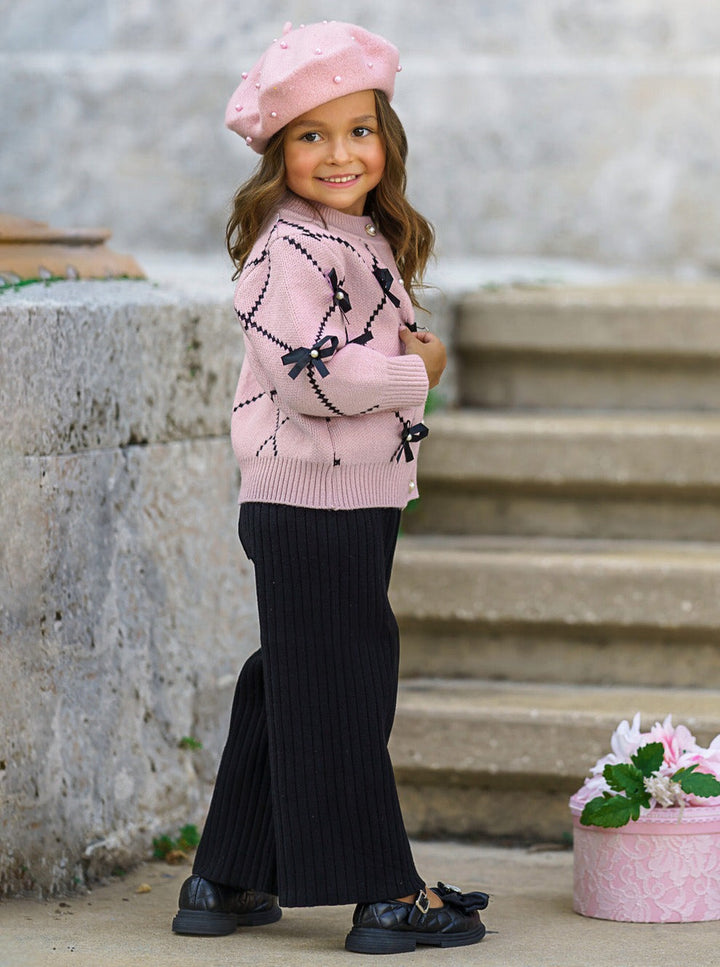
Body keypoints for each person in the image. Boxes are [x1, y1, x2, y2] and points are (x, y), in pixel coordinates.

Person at [171, 20, 488, 955]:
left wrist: (403, 353)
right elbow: (312, 376)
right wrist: (415, 369)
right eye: (312, 134)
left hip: (352, 494)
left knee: (294, 673)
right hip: (308, 495)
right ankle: (383, 892)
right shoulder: (287, 248)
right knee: (343, 682)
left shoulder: (352, 235)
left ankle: (226, 874)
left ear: (388, 138)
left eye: (360, 129)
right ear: (279, 151)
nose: (341, 153)